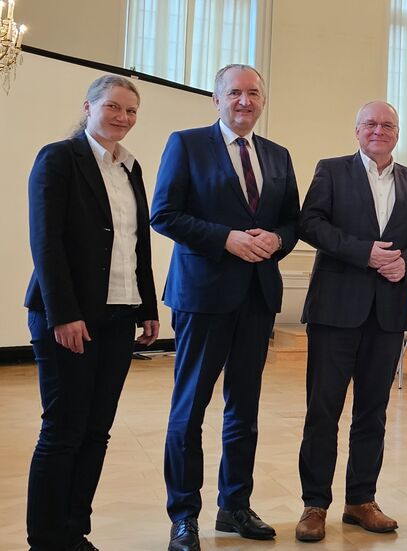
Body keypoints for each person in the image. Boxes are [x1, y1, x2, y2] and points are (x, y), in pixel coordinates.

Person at [151, 64, 300, 551]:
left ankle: (234, 505)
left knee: (244, 409)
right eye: (234, 92)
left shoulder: (278, 156)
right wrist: (226, 239)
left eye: (253, 93)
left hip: (257, 299)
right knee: (189, 409)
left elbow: (292, 223)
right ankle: (184, 514)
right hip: (203, 296)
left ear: (263, 100)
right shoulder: (187, 143)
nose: (244, 101)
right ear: (216, 99)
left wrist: (277, 239)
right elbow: (164, 213)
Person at [24, 74, 159, 551]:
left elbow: (135, 244)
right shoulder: (60, 157)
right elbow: (46, 242)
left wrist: (147, 305)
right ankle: (46, 538)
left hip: (119, 316)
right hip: (68, 316)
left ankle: (73, 532)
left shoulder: (130, 167)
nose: (123, 118)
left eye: (132, 111)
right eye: (114, 107)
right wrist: (64, 313)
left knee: (97, 431)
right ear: (89, 107)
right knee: (64, 429)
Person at [294, 101, 407, 542]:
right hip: (335, 309)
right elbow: (310, 223)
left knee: (373, 411)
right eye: (371, 124)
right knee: (323, 411)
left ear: (398, 133)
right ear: (357, 130)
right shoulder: (332, 170)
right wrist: (365, 253)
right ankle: (315, 504)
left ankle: (361, 499)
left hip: (387, 311)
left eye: (388, 125)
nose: (380, 130)